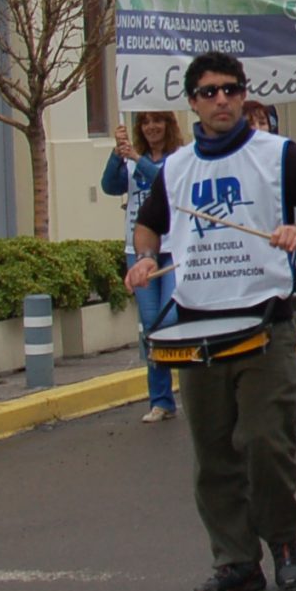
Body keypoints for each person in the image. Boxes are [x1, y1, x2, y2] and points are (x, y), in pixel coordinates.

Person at [128, 53, 296, 591]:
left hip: (263, 323)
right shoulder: (176, 168)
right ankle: (235, 560)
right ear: (194, 102)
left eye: (231, 90)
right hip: (197, 328)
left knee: (264, 441)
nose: (221, 100)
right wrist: (143, 257)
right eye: (209, 92)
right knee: (213, 454)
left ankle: (283, 541)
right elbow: (148, 227)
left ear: (244, 95)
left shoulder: (276, 154)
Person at [103, 111, 186, 423]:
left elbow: (164, 183)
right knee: (151, 326)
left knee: (170, 316)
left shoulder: (180, 159)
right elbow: (110, 186)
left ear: (169, 124)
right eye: (146, 122)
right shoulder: (129, 160)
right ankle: (161, 400)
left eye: (158, 121)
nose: (152, 127)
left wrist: (137, 157)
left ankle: (191, 383)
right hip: (139, 251)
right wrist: (117, 155)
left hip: (172, 248)